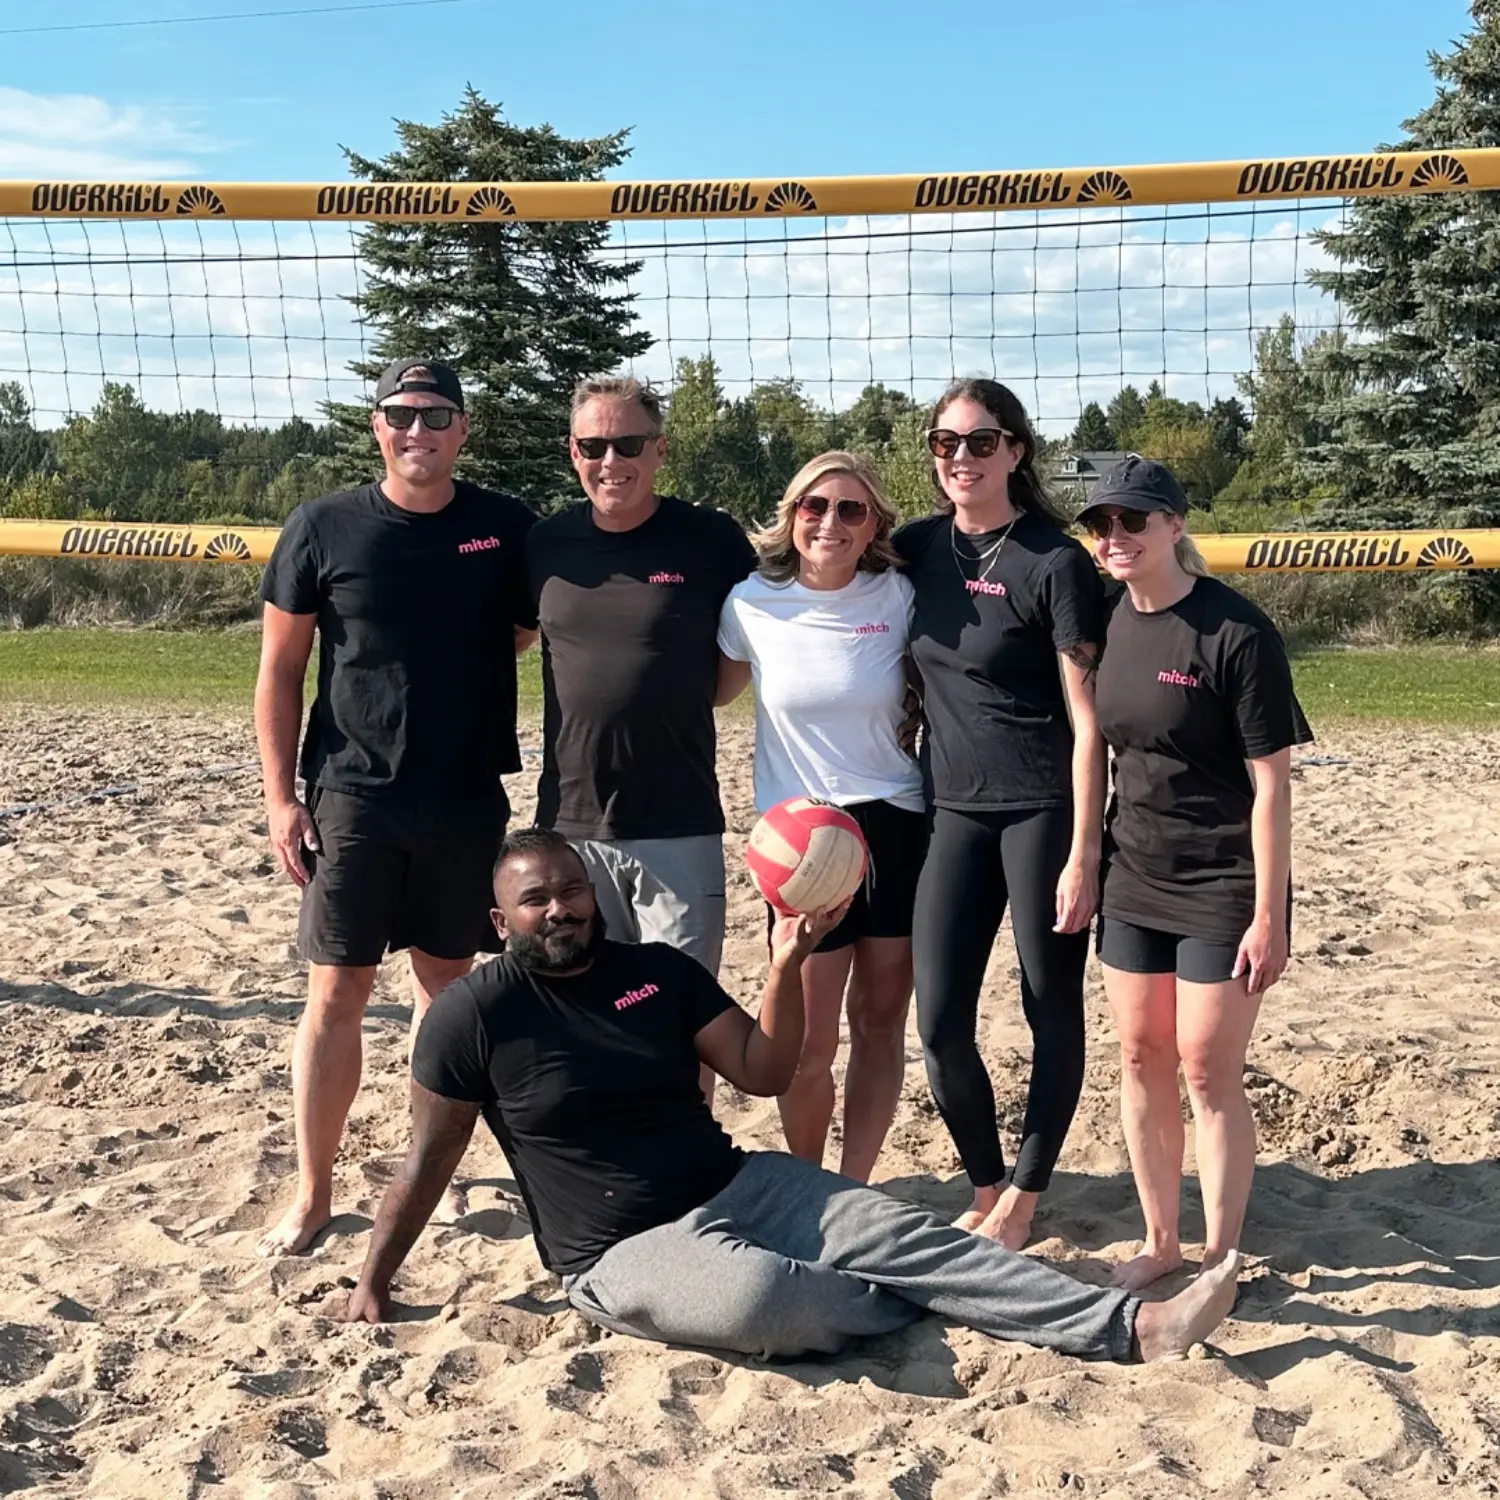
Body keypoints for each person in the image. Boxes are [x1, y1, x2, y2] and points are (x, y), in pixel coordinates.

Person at [342, 827, 1241, 1366]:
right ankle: (920, 1294)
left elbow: (767, 1072)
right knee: (766, 1302)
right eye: (537, 900)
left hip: (744, 1186)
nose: (562, 909)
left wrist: (785, 965)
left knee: (908, 1233)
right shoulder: (474, 1015)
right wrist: (375, 1279)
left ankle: (1136, 1328)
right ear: (502, 922)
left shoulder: (654, 975)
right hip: (615, 1251)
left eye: (573, 889)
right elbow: (430, 1157)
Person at [253, 358, 537, 1257]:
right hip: (353, 794)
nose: (418, 430)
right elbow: (280, 670)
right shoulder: (323, 526)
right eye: (401, 415)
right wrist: (279, 798)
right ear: (377, 426)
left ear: (463, 429)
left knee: (446, 991)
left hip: (461, 794)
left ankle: (428, 1169)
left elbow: (528, 627)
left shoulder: (502, 527)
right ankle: (314, 1188)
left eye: (437, 415)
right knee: (337, 990)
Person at [1081, 457, 1312, 1290]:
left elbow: (1273, 786)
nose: (1115, 537)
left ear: (1177, 525)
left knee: (1208, 1067)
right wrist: (1084, 861)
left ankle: (1219, 1257)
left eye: (1132, 522)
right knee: (1141, 1056)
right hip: (1134, 874)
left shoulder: (1236, 632)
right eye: (1101, 524)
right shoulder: (1106, 626)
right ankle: (1161, 1243)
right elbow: (1097, 753)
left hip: (1224, 882)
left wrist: (1269, 914)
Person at [895, 378, 1106, 1250]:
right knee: (939, 1018)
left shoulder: (1053, 561)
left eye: (980, 442)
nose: (960, 458)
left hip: (1042, 812)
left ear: (1016, 450)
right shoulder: (913, 548)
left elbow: (1089, 721)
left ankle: (1026, 1191)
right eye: (944, 443)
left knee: (1047, 1001)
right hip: (951, 810)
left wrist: (1086, 852)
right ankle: (984, 1180)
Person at [716, 452, 927, 1182]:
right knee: (807, 1040)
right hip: (801, 840)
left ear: (874, 525)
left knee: (878, 1023)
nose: (830, 522)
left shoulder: (897, 595)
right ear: (791, 513)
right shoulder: (749, 603)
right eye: (815, 506)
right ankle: (809, 1186)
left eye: (850, 509)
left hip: (896, 823)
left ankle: (855, 1185)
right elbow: (708, 692)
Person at [525, 375, 756, 982]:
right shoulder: (545, 543)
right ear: (572, 452)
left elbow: (748, 646)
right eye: (594, 447)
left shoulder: (711, 541)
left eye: (629, 445)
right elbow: (507, 637)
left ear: (660, 449)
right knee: (587, 1014)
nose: (611, 461)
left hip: (678, 819)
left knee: (684, 1021)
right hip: (571, 821)